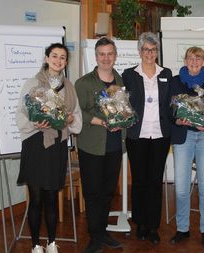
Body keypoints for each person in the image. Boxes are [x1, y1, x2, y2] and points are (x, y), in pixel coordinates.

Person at [16, 43, 82, 253]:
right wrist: (34, 123)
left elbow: (76, 115)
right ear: (46, 58)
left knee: (52, 197)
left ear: (65, 62)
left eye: (62, 57)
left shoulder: (69, 87)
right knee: (35, 199)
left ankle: (51, 243)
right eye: (54, 56)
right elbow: (21, 112)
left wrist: (71, 119)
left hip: (57, 145)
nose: (58, 60)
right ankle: (35, 244)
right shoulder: (32, 83)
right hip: (35, 144)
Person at [75, 37, 125, 253]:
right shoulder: (84, 83)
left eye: (110, 53)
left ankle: (102, 231)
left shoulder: (120, 81)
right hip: (92, 145)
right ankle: (94, 235)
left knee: (107, 191)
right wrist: (99, 121)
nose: (106, 58)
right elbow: (77, 113)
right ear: (96, 57)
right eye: (102, 54)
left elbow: (122, 109)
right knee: (93, 191)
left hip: (114, 145)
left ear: (115, 56)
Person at [122, 32, 172, 244]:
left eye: (153, 50)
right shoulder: (129, 74)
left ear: (157, 52)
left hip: (161, 134)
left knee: (155, 180)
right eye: (146, 49)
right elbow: (123, 102)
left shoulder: (167, 73)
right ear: (140, 52)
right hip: (137, 135)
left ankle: (152, 226)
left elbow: (172, 102)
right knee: (140, 180)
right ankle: (140, 222)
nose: (149, 53)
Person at [169, 46, 204, 246]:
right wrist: (178, 120)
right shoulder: (175, 81)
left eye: (198, 58)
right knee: (181, 187)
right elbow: (169, 107)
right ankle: (183, 229)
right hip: (183, 136)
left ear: (203, 62)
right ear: (185, 61)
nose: (194, 62)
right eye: (191, 58)